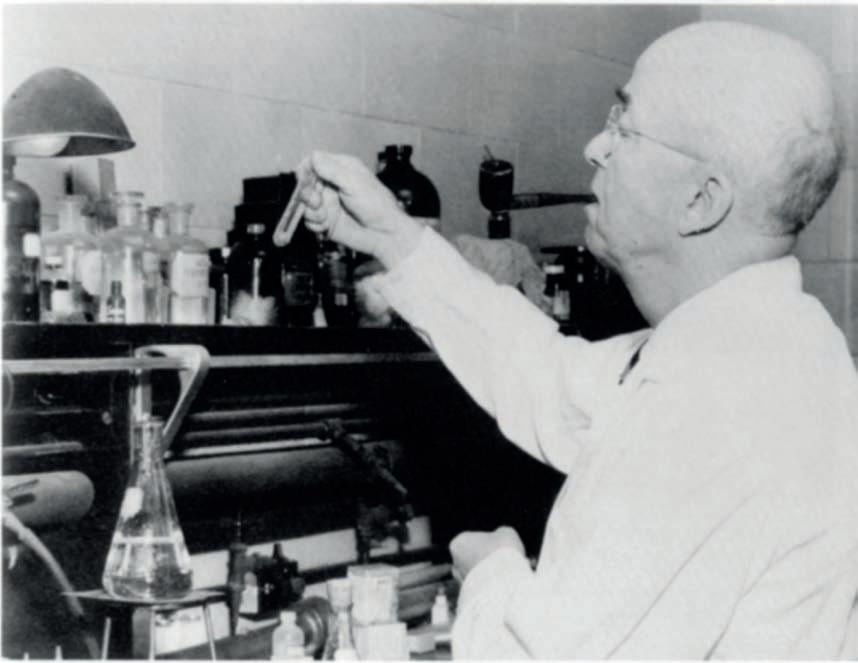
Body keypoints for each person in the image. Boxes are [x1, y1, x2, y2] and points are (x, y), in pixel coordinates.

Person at [297, 20, 858, 659]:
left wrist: (491, 574)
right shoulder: (764, 346)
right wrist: (392, 236)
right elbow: (548, 375)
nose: (595, 147)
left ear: (701, 201)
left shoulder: (717, 402)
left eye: (625, 127)